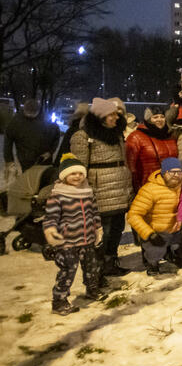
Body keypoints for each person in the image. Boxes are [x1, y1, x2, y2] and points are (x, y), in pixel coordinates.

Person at [70, 98, 133, 277]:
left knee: (116, 228)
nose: (115, 117)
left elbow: (124, 161)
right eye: (111, 114)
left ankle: (110, 262)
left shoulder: (118, 134)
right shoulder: (83, 137)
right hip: (100, 191)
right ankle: (96, 270)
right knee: (101, 233)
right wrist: (83, 192)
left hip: (119, 189)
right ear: (100, 117)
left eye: (115, 114)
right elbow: (79, 169)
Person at [42, 154, 105, 314]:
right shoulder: (58, 195)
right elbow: (50, 218)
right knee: (67, 270)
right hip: (67, 242)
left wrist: (98, 228)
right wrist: (51, 232)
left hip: (87, 239)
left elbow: (94, 212)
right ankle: (59, 301)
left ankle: (92, 290)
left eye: (80, 173)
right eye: (72, 173)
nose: (77, 177)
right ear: (64, 176)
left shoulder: (87, 192)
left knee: (92, 266)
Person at [127, 157, 182, 276]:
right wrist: (149, 234)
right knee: (155, 250)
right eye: (172, 172)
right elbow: (133, 215)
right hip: (157, 231)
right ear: (164, 172)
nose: (176, 175)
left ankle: (173, 254)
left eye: (178, 172)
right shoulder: (150, 190)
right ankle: (152, 263)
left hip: (177, 228)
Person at [4, 99, 60, 180]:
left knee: (44, 179)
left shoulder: (48, 122)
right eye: (28, 113)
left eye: (33, 113)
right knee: (28, 180)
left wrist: (50, 151)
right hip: (26, 159)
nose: (30, 115)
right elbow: (8, 141)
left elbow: (56, 137)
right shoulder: (16, 122)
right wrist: (9, 160)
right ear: (24, 110)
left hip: (44, 158)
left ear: (38, 111)